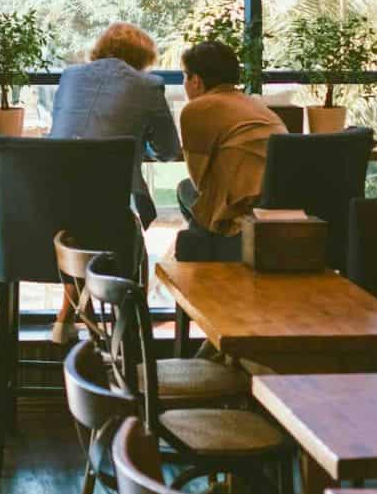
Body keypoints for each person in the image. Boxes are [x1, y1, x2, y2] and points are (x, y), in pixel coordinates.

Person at [47, 23, 182, 342]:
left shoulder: (70, 76)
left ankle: (71, 313)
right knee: (130, 240)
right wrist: (140, 141)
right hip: (110, 214)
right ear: (143, 58)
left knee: (78, 226)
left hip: (49, 208)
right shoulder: (148, 86)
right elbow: (168, 150)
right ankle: (131, 336)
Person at [177, 40, 286, 236]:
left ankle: (207, 248)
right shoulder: (254, 104)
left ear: (196, 81)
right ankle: (206, 248)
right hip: (281, 206)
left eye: (184, 76)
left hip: (240, 212)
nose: (183, 84)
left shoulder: (197, 109)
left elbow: (198, 182)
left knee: (184, 188)